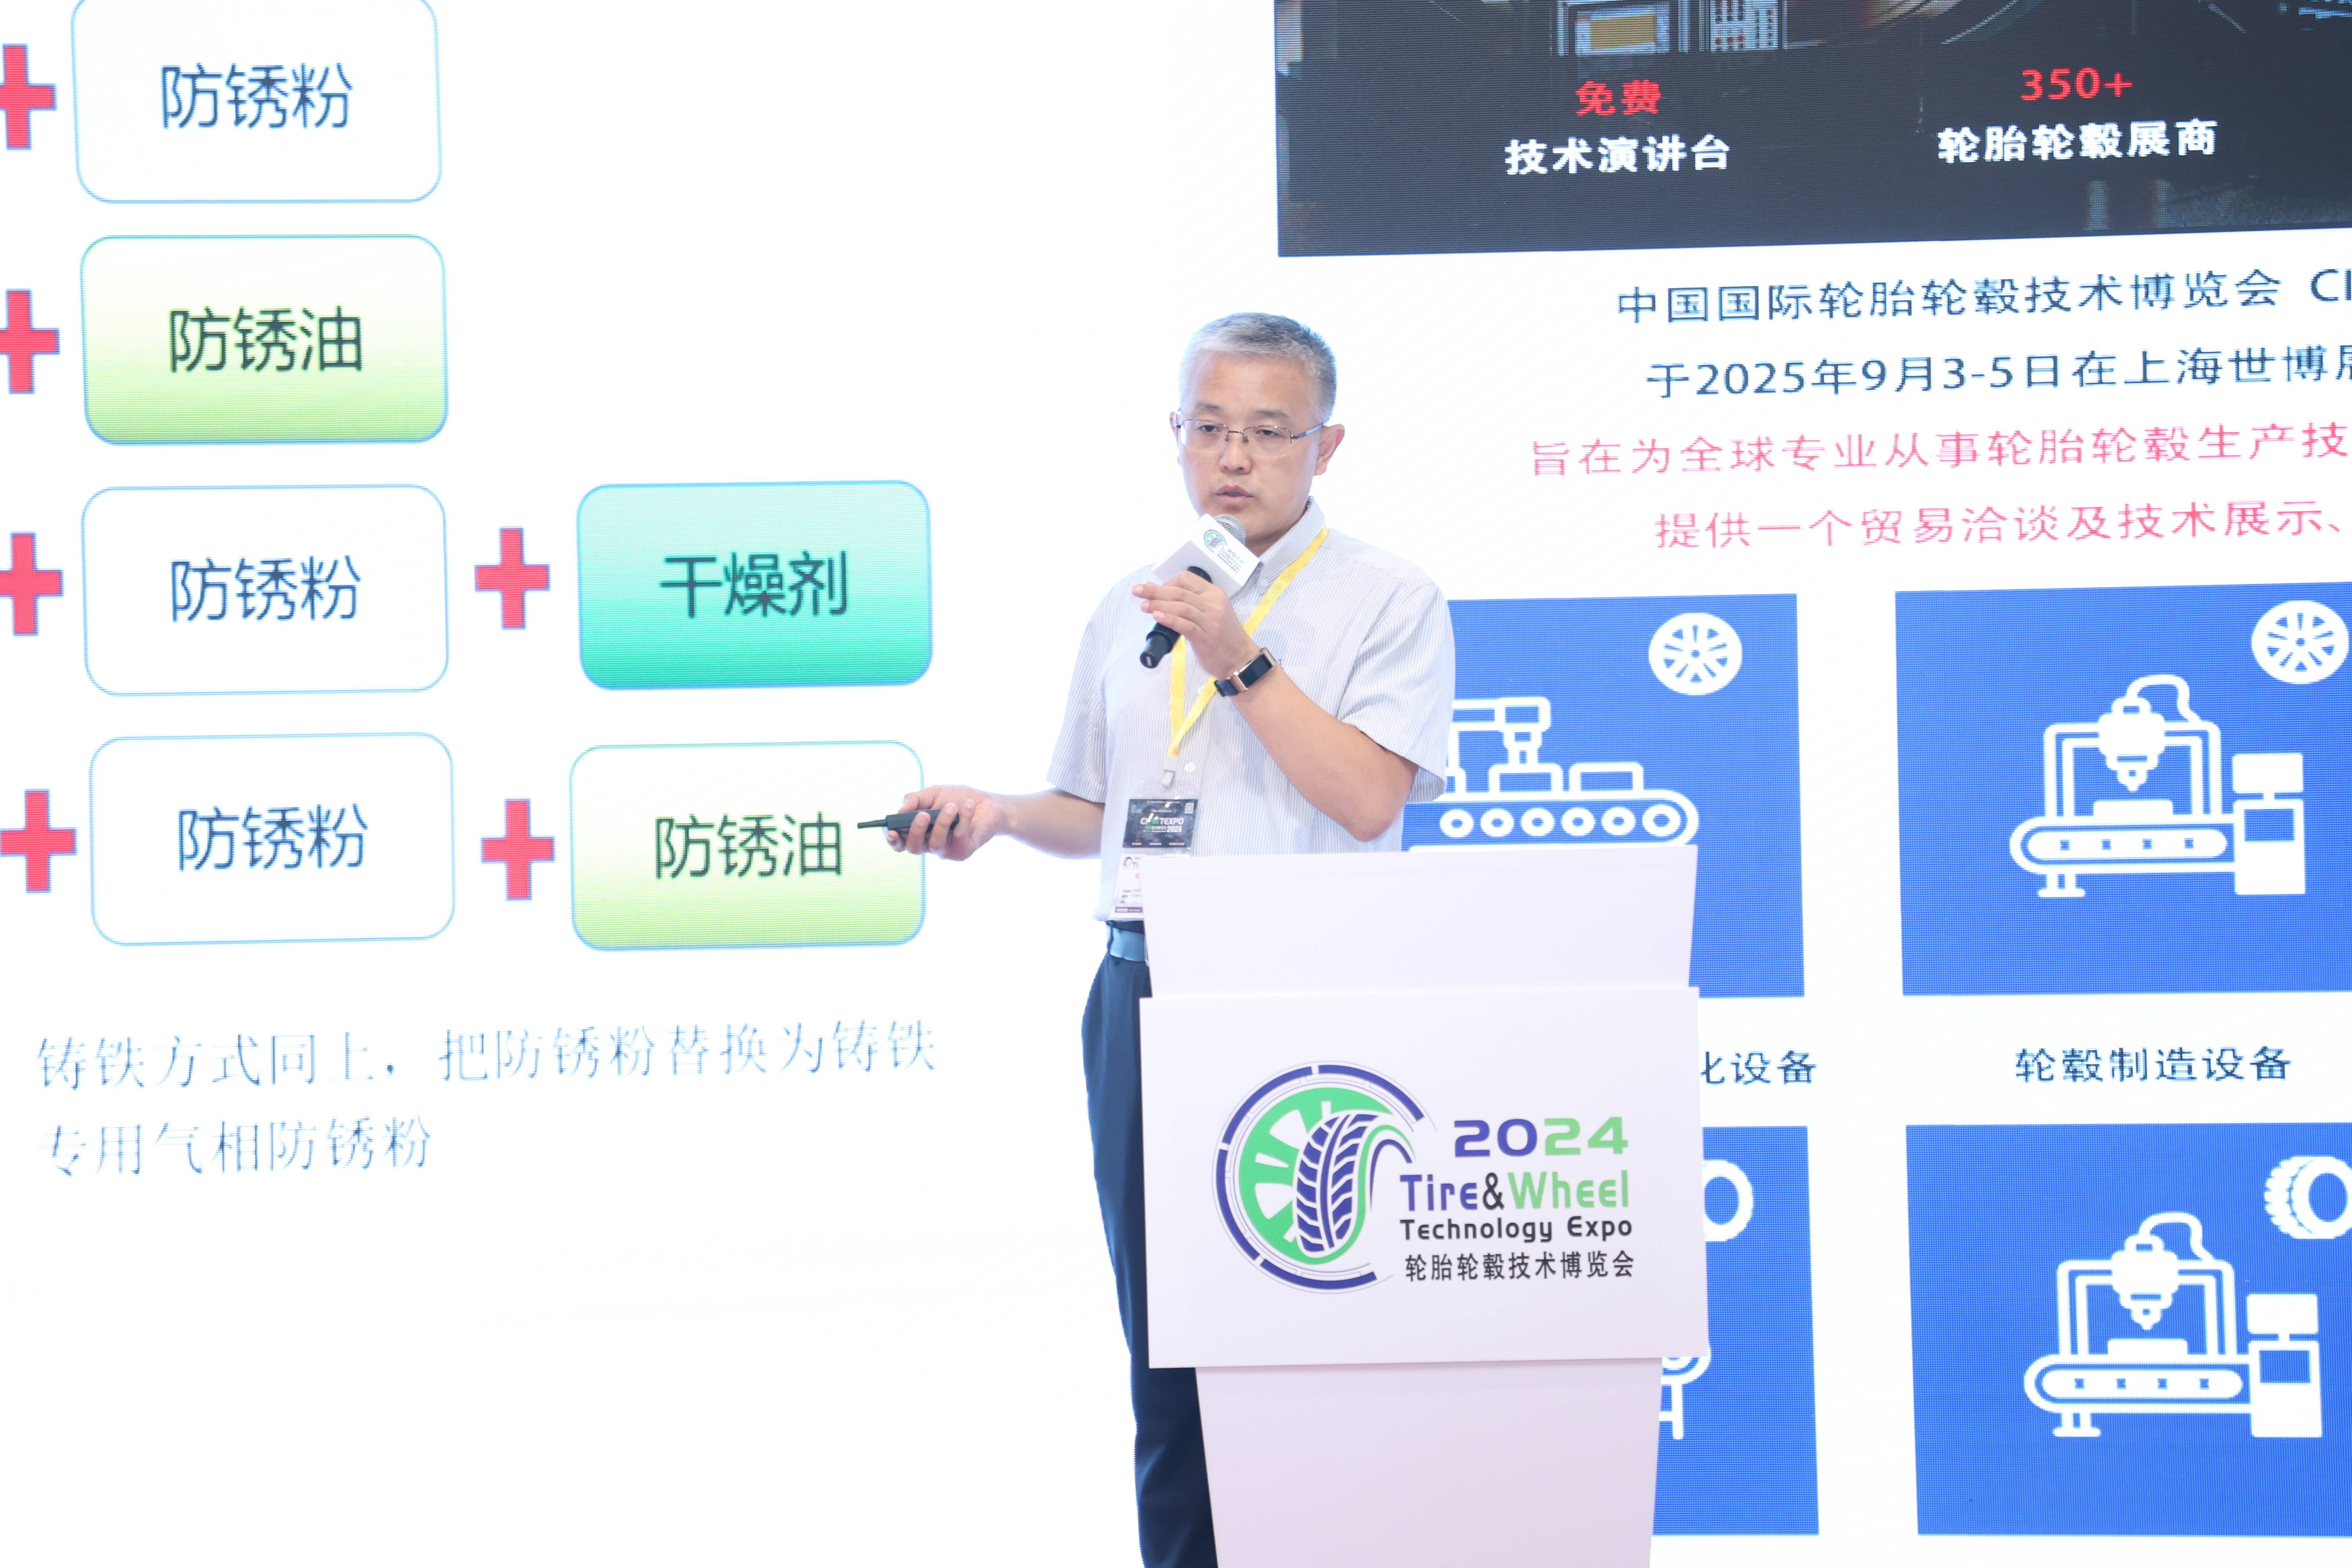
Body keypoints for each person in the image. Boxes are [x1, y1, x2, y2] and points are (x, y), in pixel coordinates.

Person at [888, 312, 1454, 1568]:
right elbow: (1100, 811)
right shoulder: (1134, 604)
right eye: (1209, 428)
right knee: (1169, 1349)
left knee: (1313, 1325)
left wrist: (1241, 659)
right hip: (1141, 991)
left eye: (1267, 432)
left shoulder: (1388, 598)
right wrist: (998, 816)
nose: (1233, 457)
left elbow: (1370, 799)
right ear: (1177, 437)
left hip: (1306, 1000)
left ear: (1327, 446)